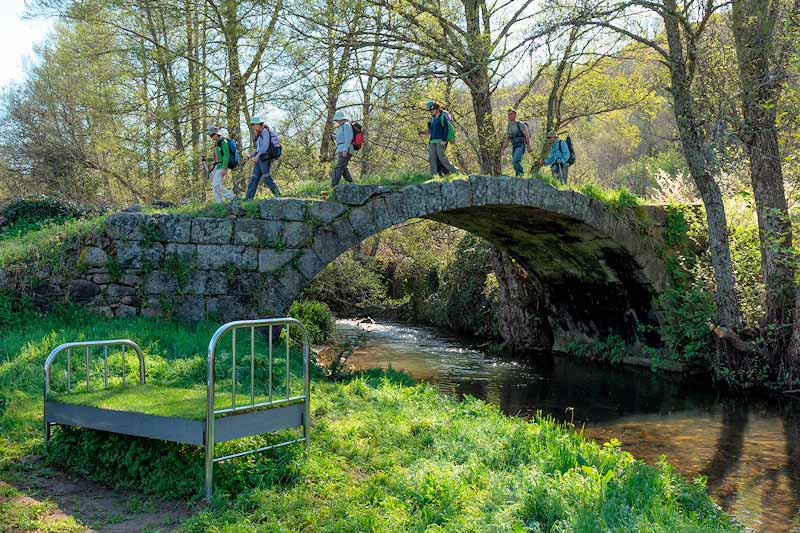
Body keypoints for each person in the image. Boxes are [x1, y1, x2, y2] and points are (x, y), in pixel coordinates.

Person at [418, 100, 459, 176]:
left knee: (441, 157)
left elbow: (447, 127)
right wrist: (422, 132)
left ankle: (453, 171)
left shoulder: (444, 114)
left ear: (435, 107)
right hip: (433, 140)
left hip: (442, 139)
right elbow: (431, 131)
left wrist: (445, 139)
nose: (430, 111)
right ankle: (436, 175)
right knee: (433, 158)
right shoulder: (432, 119)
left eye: (432, 109)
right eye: (430, 110)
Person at [245, 116, 281, 199]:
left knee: (266, 177)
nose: (252, 127)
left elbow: (265, 146)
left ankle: (278, 195)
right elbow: (258, 149)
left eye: (253, 125)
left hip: (265, 158)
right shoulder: (259, 134)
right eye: (252, 125)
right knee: (254, 177)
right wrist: (250, 156)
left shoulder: (264, 131)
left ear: (258, 124)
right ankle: (248, 198)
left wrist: (257, 156)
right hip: (260, 158)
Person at [206, 126, 236, 203]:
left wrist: (224, 167)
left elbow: (226, 155)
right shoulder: (217, 144)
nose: (211, 137)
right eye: (210, 135)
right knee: (214, 186)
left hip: (222, 166)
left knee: (216, 185)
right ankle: (219, 204)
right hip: (217, 166)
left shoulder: (223, 142)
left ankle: (232, 197)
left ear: (216, 134)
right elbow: (217, 158)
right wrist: (206, 159)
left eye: (212, 135)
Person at [502, 109, 531, 177]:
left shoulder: (520, 124)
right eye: (508, 114)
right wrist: (503, 149)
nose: (509, 116)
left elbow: (527, 135)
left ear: (515, 115)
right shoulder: (509, 125)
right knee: (514, 163)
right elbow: (508, 139)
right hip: (514, 146)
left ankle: (521, 175)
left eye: (511, 114)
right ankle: (518, 176)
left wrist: (529, 146)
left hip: (521, 145)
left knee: (515, 161)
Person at [331, 110, 355, 187]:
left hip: (345, 150)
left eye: (337, 120)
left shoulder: (346, 125)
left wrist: (345, 149)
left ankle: (333, 186)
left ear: (342, 119)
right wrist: (334, 137)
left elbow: (349, 138)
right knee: (343, 168)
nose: (337, 121)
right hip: (341, 149)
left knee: (338, 168)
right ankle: (351, 184)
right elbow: (342, 139)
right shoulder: (341, 127)